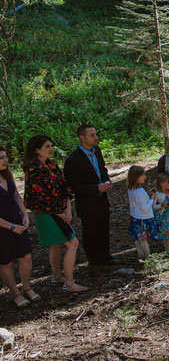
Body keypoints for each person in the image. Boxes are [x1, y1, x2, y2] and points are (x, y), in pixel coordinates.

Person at [23, 135, 88, 292]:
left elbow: (65, 187)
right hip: (46, 214)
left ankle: (58, 276)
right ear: (37, 150)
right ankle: (69, 283)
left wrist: (67, 209)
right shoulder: (32, 170)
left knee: (57, 245)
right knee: (73, 243)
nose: (51, 149)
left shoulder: (52, 165)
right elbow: (37, 198)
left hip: (61, 210)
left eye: (52, 145)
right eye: (47, 146)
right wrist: (59, 214)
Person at [63, 124, 113, 266]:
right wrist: (97, 187)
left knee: (104, 227)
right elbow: (75, 187)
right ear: (82, 138)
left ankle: (105, 257)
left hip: (102, 199)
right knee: (91, 231)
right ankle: (94, 261)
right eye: (92, 135)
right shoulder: (73, 160)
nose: (96, 137)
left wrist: (106, 180)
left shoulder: (97, 150)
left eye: (95, 134)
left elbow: (102, 168)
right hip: (87, 203)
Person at [0, 146, 38, 307]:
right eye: (1, 158)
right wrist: (11, 227)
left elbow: (16, 195)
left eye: (5, 156)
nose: (5, 160)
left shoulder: (7, 175)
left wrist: (24, 214)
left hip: (17, 220)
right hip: (3, 227)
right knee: (6, 262)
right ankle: (15, 293)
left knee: (26, 256)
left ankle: (27, 287)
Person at [127, 166, 159, 259]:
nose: (145, 177)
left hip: (135, 217)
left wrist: (147, 196)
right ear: (136, 177)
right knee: (143, 240)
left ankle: (140, 255)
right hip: (142, 219)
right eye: (143, 175)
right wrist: (152, 199)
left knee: (137, 238)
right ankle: (148, 257)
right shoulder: (140, 191)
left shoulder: (131, 189)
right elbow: (145, 208)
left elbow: (139, 202)